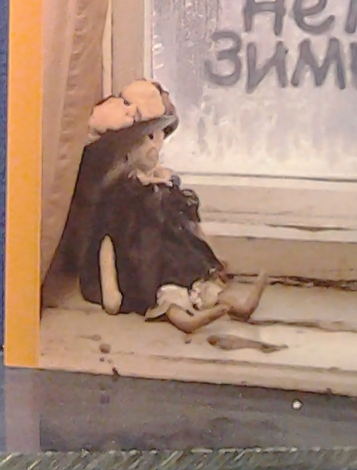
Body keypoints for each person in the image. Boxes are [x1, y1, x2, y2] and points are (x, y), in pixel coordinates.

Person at [48, 80, 267, 335]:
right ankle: (181, 317)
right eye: (143, 139)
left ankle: (232, 304)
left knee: (199, 277)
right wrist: (111, 290)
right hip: (145, 258)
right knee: (165, 286)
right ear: (126, 151)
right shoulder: (123, 193)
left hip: (175, 249)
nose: (152, 146)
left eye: (154, 136)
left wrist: (208, 249)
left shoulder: (165, 182)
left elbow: (187, 223)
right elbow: (107, 240)